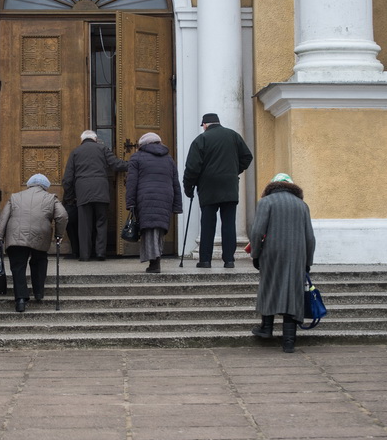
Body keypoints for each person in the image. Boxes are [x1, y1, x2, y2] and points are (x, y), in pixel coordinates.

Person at [248, 173, 316, 353]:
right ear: (292, 187)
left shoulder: (266, 202)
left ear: (272, 186)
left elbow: (257, 232)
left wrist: (256, 254)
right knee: (292, 292)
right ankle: (289, 342)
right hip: (297, 255)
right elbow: (310, 237)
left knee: (269, 285)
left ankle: (266, 328)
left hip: (271, 253)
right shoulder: (302, 205)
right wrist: (308, 261)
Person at [183, 113, 253, 268]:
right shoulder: (233, 136)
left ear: (205, 125)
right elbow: (247, 157)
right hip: (230, 187)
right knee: (229, 224)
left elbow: (192, 167)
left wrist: (188, 187)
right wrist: (234, 171)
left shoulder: (201, 139)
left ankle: (205, 260)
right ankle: (229, 260)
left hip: (208, 188)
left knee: (208, 224)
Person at [0, 173, 68, 313]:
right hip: (40, 235)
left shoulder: (15, 197)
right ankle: (38, 293)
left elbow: (4, 217)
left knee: (18, 267)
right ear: (45, 186)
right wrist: (59, 235)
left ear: (29, 185)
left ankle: (20, 300)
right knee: (39, 262)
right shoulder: (51, 198)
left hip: (16, 236)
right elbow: (62, 216)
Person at [62, 130, 128, 261]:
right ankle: (100, 253)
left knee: (84, 224)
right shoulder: (103, 149)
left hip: (82, 192)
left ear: (82, 140)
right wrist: (133, 163)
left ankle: (84, 255)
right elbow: (116, 165)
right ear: (95, 139)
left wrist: (69, 197)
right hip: (101, 190)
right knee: (101, 221)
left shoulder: (75, 152)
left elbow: (67, 179)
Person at [125, 132, 183, 273]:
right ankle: (156, 261)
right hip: (165, 197)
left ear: (142, 144)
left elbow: (131, 182)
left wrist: (130, 202)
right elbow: (175, 183)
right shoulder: (169, 159)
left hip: (145, 197)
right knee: (159, 229)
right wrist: (177, 205)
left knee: (148, 229)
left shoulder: (137, 157)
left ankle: (154, 263)